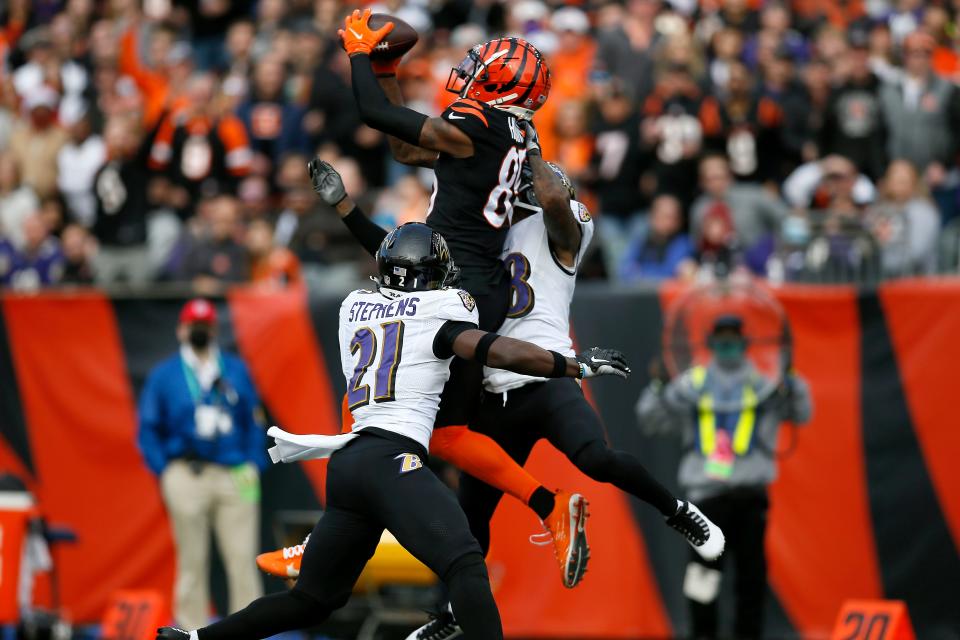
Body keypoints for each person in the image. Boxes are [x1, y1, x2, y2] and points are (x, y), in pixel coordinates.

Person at [156, 223, 632, 640]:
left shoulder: (354, 308)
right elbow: (499, 352)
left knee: (314, 599)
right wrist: (574, 365)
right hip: (392, 460)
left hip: (350, 464)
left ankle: (196, 638)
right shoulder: (442, 312)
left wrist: (347, 210)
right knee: (465, 558)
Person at [335, 10, 590, 578]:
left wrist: (359, 53)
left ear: (503, 87)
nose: (470, 70)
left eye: (483, 68)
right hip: (470, 283)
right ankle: (341, 539)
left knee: (395, 415)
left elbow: (375, 115)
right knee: (427, 426)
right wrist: (387, 66)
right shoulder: (511, 132)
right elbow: (404, 148)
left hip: (455, 286)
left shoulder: (475, 130)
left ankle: (339, 542)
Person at [636, 315, 812, 640]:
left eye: (733, 337)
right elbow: (650, 419)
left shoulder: (764, 383)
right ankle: (703, 635)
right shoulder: (693, 384)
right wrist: (659, 383)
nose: (727, 345)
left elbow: (802, 411)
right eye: (722, 338)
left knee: (751, 579)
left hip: (749, 496)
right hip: (706, 499)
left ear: (745, 342)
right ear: (710, 342)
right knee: (702, 578)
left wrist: (792, 377)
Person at [138, 299, 266, 631]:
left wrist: (253, 463)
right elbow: (148, 427)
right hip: (186, 472)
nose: (199, 331)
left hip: (234, 472)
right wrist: (164, 469)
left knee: (242, 559)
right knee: (191, 560)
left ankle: (246, 630)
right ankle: (191, 631)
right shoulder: (165, 374)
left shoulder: (234, 369)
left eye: (205, 325)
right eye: (194, 324)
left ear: (214, 329)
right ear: (181, 329)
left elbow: (255, 419)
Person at [619, 193, 695, 282]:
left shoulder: (684, 244)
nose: (669, 222)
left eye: (674, 217)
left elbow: (671, 274)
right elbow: (624, 270)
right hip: (639, 293)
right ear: (652, 217)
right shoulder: (641, 242)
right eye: (665, 217)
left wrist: (641, 274)